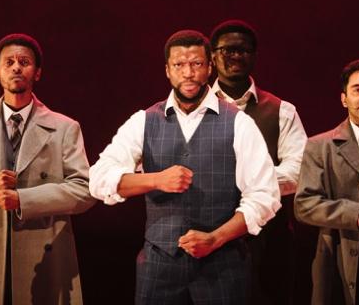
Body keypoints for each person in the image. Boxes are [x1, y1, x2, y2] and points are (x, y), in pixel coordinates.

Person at [89, 29, 281, 305]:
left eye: (196, 64)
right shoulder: (143, 121)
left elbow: (265, 196)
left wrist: (215, 239)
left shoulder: (238, 123)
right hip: (159, 269)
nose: (188, 73)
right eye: (179, 65)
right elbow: (98, 179)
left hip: (223, 267)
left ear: (209, 68)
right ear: (168, 70)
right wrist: (155, 180)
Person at [0, 33, 95, 305]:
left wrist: (24, 199)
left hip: (44, 255)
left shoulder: (64, 127)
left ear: (37, 73)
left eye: (24, 62)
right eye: (8, 62)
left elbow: (85, 189)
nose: (16, 67)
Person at [210, 19, 307, 305]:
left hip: (269, 238)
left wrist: (243, 186)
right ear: (212, 56)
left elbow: (299, 170)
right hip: (210, 232)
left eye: (244, 50)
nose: (236, 56)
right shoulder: (191, 107)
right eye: (228, 49)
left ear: (254, 56)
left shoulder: (282, 110)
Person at [295, 59, 359, 305]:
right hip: (338, 259)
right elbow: (305, 204)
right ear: (344, 98)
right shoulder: (320, 146)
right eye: (357, 90)